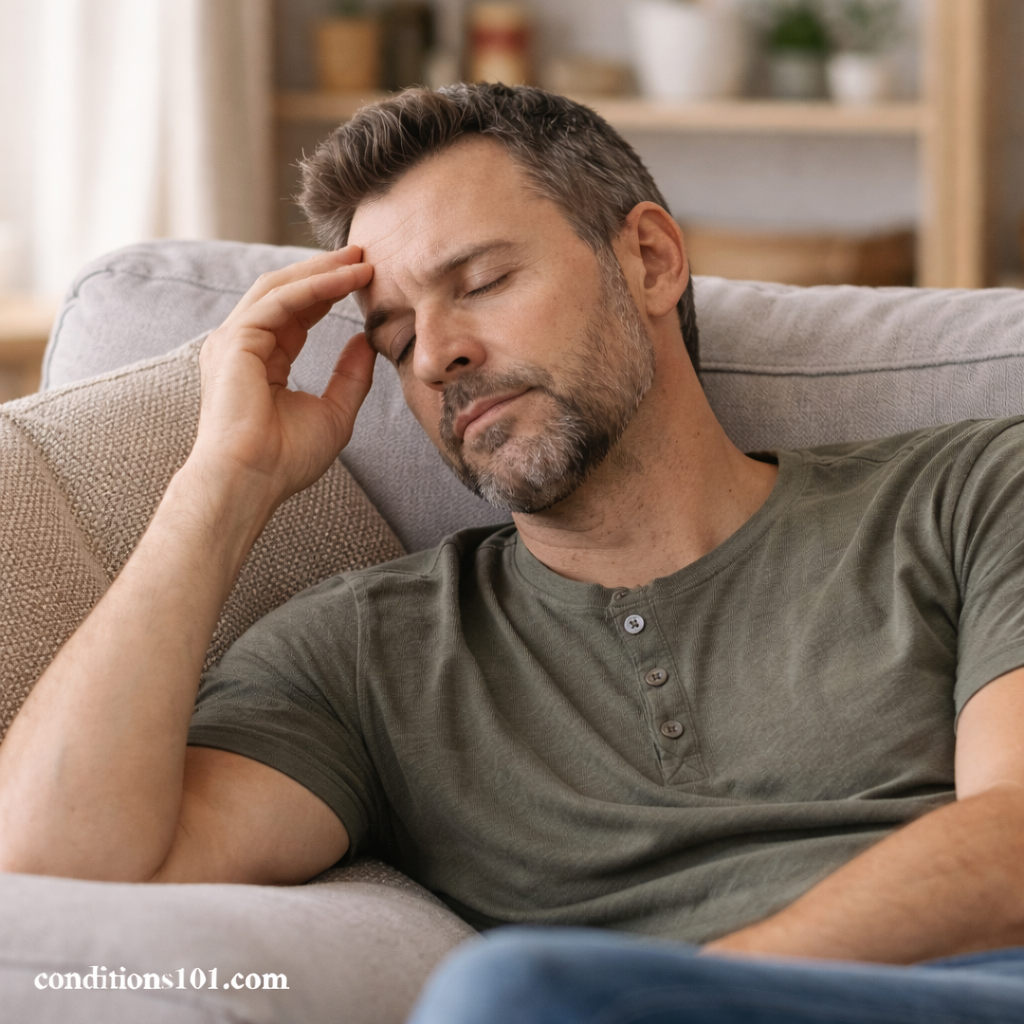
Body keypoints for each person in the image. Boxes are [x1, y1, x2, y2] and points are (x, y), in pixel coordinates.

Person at [0, 84, 1023, 1022]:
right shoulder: (373, 651)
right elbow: (51, 871)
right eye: (396, 338)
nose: (438, 352)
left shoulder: (968, 492)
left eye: (481, 281)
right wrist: (219, 487)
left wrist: (657, 1000)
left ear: (649, 260)